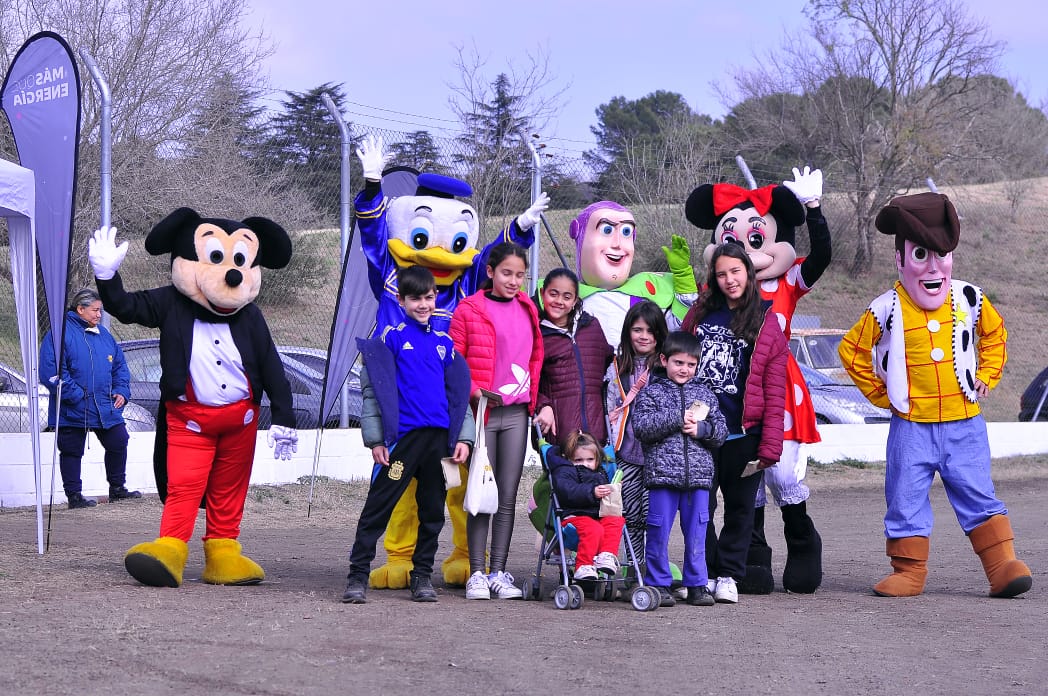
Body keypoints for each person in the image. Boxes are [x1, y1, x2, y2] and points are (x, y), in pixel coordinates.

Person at [839, 192, 1031, 598]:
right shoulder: (886, 307)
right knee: (905, 496)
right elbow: (852, 350)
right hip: (911, 427)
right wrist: (883, 393)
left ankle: (1002, 566)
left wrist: (987, 373)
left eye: (942, 255)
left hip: (965, 422)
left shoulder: (969, 298)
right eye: (921, 253)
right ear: (900, 259)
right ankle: (908, 572)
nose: (933, 266)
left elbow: (994, 334)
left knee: (978, 491)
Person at [342, 266, 476, 604]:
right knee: (379, 506)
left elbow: (459, 397)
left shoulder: (445, 345)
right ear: (401, 300)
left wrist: (463, 438)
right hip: (404, 442)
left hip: (438, 445)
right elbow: (373, 390)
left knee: (432, 511)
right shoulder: (390, 338)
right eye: (415, 298)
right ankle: (357, 576)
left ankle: (422, 577)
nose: (423, 304)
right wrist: (375, 440)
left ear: (436, 299)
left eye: (429, 297)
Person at [681, 244, 788, 604]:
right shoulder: (699, 314)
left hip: (744, 434)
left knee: (741, 509)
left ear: (749, 272)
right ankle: (703, 573)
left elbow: (776, 388)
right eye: (721, 273)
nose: (729, 280)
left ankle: (728, 575)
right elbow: (678, 364)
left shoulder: (766, 319)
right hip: (700, 433)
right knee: (700, 507)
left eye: (735, 272)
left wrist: (770, 446)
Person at [450, 242, 543, 600]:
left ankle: (499, 572)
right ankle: (476, 573)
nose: (514, 281)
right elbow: (455, 363)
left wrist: (534, 402)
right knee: (481, 494)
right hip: (483, 415)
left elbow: (535, 358)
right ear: (490, 272)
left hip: (518, 414)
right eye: (507, 273)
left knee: (506, 495)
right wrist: (475, 392)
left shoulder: (528, 308)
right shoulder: (469, 309)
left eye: (521, 275)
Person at [631, 331, 728, 607]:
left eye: (690, 364)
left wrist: (703, 429)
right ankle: (658, 583)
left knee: (698, 530)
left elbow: (721, 431)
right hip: (662, 476)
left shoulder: (705, 394)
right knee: (658, 530)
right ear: (664, 360)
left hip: (698, 478)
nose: (684, 369)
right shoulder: (652, 392)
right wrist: (676, 418)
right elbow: (642, 427)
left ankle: (697, 584)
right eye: (678, 363)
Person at [39, 288, 141, 509]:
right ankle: (74, 496)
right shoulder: (59, 334)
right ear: (80, 309)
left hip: (105, 406)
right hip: (73, 407)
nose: (98, 315)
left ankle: (117, 489)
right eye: (95, 310)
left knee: (118, 440)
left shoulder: (104, 335)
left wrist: (122, 390)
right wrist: (75, 395)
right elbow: (51, 373)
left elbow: (120, 368)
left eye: (100, 311)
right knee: (71, 449)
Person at [605, 300, 668, 563]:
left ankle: (654, 570)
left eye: (651, 331)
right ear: (628, 332)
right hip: (626, 454)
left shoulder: (667, 369)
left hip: (657, 456)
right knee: (629, 515)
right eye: (638, 330)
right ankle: (634, 570)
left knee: (654, 516)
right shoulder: (615, 367)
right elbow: (610, 407)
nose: (644, 337)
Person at [533, 267, 613, 448]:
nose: (559, 301)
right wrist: (542, 405)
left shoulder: (592, 327)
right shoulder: (536, 334)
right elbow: (527, 381)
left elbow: (610, 365)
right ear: (542, 293)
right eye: (553, 294)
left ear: (575, 300)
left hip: (596, 433)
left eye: (567, 297)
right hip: (557, 433)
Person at [546, 431, 625, 581]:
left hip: (597, 515)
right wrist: (591, 492)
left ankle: (606, 555)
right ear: (569, 459)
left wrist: (613, 488)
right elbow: (568, 491)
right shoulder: (564, 472)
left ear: (597, 459)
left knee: (617, 520)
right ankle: (583, 565)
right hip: (574, 516)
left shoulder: (600, 472)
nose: (585, 464)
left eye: (590, 459)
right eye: (579, 460)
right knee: (593, 529)